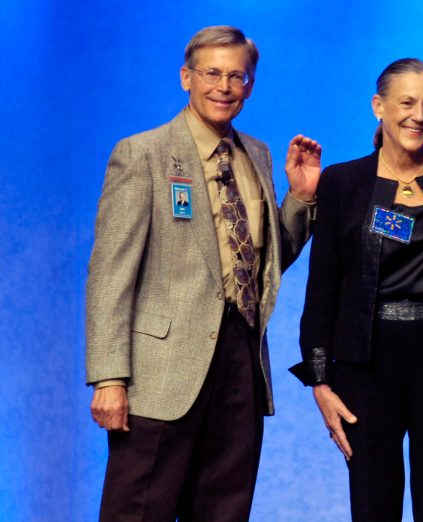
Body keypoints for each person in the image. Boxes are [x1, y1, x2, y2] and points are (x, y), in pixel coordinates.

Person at [85, 25, 322, 521]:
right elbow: (111, 275)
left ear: (250, 85)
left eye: (238, 76)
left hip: (240, 364)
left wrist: (299, 199)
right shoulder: (143, 154)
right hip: (160, 375)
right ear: (186, 78)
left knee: (223, 512)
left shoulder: (256, 155)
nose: (225, 86)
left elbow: (266, 263)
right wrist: (109, 377)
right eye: (212, 73)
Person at [290, 58, 423, 521]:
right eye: (407, 102)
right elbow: (321, 291)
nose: (419, 115)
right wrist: (320, 380)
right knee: (372, 507)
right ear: (378, 107)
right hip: (364, 369)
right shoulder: (343, 183)